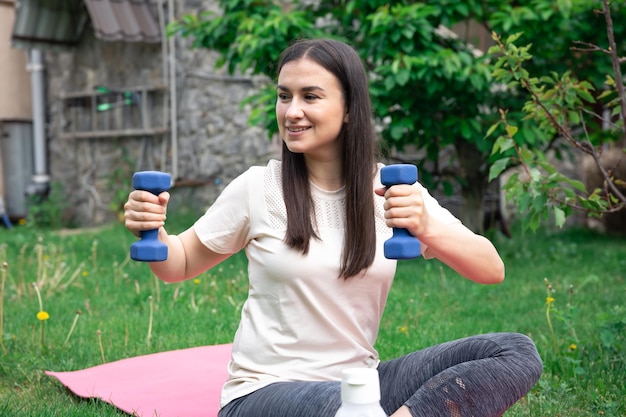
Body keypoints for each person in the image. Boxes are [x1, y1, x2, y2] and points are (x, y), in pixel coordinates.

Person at [124, 38, 542, 417]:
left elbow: (491, 269)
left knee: (515, 352)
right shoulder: (257, 187)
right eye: (284, 96)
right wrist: (153, 230)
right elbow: (176, 265)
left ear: (349, 110)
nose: (291, 111)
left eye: (310, 96)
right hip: (264, 394)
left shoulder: (391, 190)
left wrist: (426, 222)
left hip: (362, 385)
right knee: (355, 410)